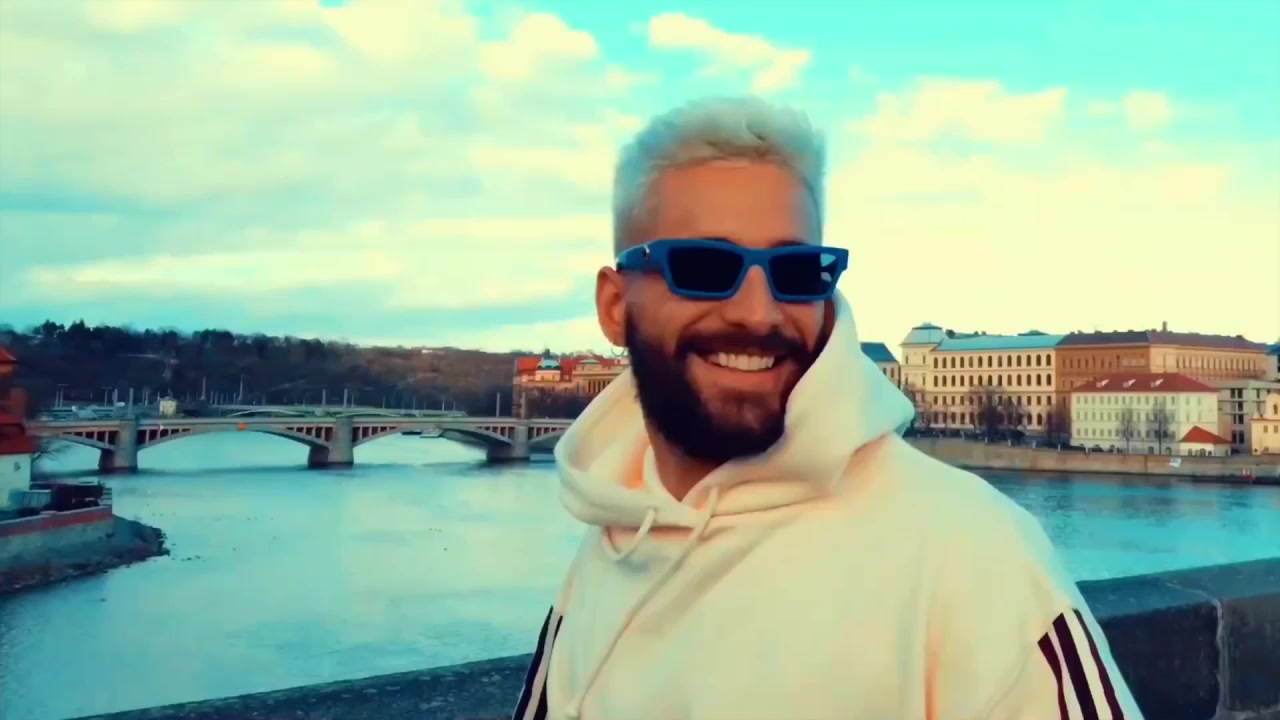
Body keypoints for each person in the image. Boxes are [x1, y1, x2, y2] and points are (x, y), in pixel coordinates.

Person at [510, 96, 1142, 720]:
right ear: (615, 307)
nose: (758, 313)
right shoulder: (609, 539)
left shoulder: (974, 555)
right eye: (704, 266)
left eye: (796, 271)